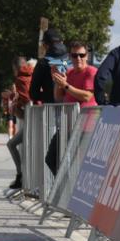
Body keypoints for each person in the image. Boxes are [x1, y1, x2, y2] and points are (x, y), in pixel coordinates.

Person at [30, 29, 70, 175]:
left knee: (51, 156)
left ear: (45, 45)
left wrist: (48, 95)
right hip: (75, 111)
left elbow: (33, 93)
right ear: (62, 42)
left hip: (51, 114)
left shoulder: (43, 63)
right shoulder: (72, 59)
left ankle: (57, 188)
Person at [4, 57, 35, 191]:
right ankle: (23, 177)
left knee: (11, 144)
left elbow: (28, 99)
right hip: (35, 117)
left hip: (32, 119)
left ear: (15, 68)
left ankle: (21, 176)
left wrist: (13, 98)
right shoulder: (33, 74)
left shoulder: (21, 79)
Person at [53, 41, 97, 107]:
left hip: (86, 116)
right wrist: (58, 82)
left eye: (82, 55)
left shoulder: (91, 71)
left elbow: (87, 97)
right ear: (70, 57)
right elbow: (58, 98)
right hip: (69, 115)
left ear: (87, 56)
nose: (78, 58)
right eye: (74, 56)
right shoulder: (68, 73)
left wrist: (65, 85)